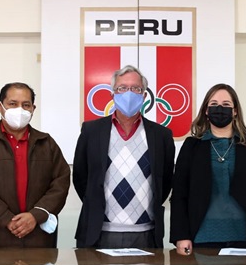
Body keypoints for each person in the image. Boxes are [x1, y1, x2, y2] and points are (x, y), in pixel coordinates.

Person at [170, 83, 246, 265]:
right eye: (214, 104)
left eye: (226, 105)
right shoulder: (191, 147)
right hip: (202, 239)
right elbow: (179, 195)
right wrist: (180, 236)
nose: (220, 109)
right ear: (206, 110)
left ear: (235, 111)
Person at [73, 65, 175, 249]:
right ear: (113, 94)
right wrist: (96, 206)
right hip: (98, 233)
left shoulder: (162, 135)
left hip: (146, 234)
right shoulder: (91, 131)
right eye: (122, 88)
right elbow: (80, 177)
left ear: (144, 96)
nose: (129, 93)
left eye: (136, 88)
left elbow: (165, 182)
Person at [0, 82, 70, 248]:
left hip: (39, 239)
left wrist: (36, 215)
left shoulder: (46, 143)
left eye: (26, 105)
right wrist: (6, 218)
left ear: (33, 109)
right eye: (13, 104)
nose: (20, 110)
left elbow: (61, 183)